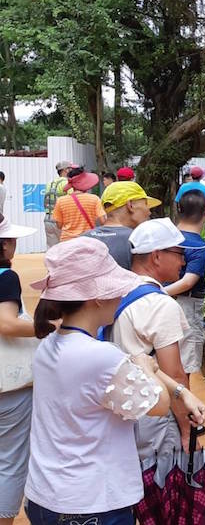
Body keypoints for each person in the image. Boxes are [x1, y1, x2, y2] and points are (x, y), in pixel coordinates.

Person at [25, 237, 205, 525]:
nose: (121, 295)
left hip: (47, 495)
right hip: (92, 503)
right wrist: (149, 368)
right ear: (97, 296)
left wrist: (178, 388)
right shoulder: (101, 358)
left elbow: (126, 367)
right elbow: (157, 404)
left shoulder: (50, 344)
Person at [111, 218, 205, 459]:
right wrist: (187, 431)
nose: (183, 261)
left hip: (117, 407)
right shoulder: (159, 304)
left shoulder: (115, 292)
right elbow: (173, 374)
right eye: (179, 253)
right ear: (156, 256)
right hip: (151, 412)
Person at [0, 215, 38, 525]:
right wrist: (48, 327)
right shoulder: (6, 277)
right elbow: (6, 324)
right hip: (8, 388)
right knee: (10, 461)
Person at [164, 183, 205, 378]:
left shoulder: (165, 237)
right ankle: (184, 407)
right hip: (187, 305)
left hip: (162, 303)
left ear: (178, 209)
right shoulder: (198, 246)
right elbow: (188, 282)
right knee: (185, 363)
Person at [82, 181, 159, 270]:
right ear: (130, 205)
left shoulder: (83, 238)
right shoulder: (138, 240)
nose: (149, 212)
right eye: (146, 204)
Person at [50, 168, 104, 242]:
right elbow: (102, 221)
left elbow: (59, 225)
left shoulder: (61, 201)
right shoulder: (94, 199)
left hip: (67, 241)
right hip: (88, 240)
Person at [43, 161, 73, 248]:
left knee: (52, 248)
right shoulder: (67, 183)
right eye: (70, 168)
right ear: (65, 170)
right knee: (65, 248)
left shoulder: (50, 183)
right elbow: (72, 200)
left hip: (48, 219)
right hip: (60, 220)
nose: (71, 170)